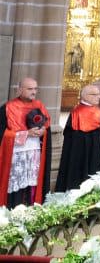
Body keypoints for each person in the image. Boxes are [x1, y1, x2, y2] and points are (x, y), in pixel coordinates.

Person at [0, 78, 51, 206]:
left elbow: (47, 126)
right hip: (16, 155)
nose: (33, 92)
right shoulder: (8, 107)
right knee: (15, 184)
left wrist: (43, 131)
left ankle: (29, 211)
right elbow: (2, 134)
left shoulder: (39, 106)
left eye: (35, 89)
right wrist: (26, 134)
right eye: (30, 89)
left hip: (34, 154)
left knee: (32, 185)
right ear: (19, 90)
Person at [55, 85, 100, 191]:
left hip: (95, 150)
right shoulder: (77, 112)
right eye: (95, 94)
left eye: (99, 94)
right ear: (85, 96)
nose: (99, 97)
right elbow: (72, 136)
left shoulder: (97, 110)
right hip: (80, 153)